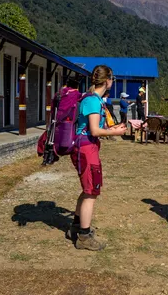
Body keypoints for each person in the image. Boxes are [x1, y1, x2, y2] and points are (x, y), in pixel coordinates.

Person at [70, 65, 127, 251]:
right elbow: (94, 130)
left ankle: (77, 226)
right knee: (91, 192)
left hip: (86, 146)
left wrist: (112, 129)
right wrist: (115, 132)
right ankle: (84, 237)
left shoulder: (91, 98)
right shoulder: (93, 101)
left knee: (87, 189)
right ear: (108, 80)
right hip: (87, 148)